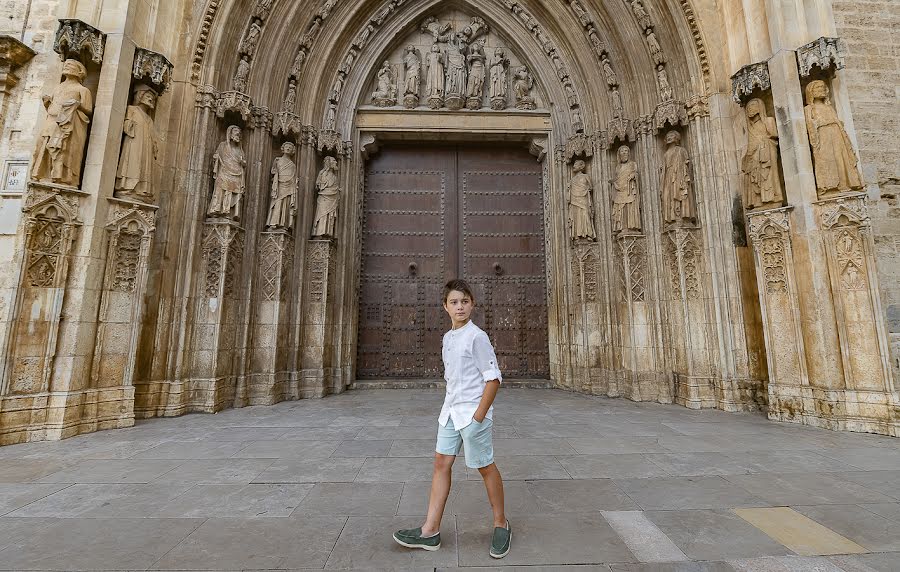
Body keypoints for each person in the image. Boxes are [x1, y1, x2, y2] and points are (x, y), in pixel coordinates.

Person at [393, 279, 510, 559]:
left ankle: (501, 523)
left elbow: (493, 379)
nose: (460, 307)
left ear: (473, 304)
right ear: (445, 307)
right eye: (454, 302)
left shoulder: (477, 337)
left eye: (465, 301)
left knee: (484, 467)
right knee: (440, 464)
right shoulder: (447, 338)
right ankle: (430, 530)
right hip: (449, 412)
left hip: (472, 414)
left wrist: (478, 417)